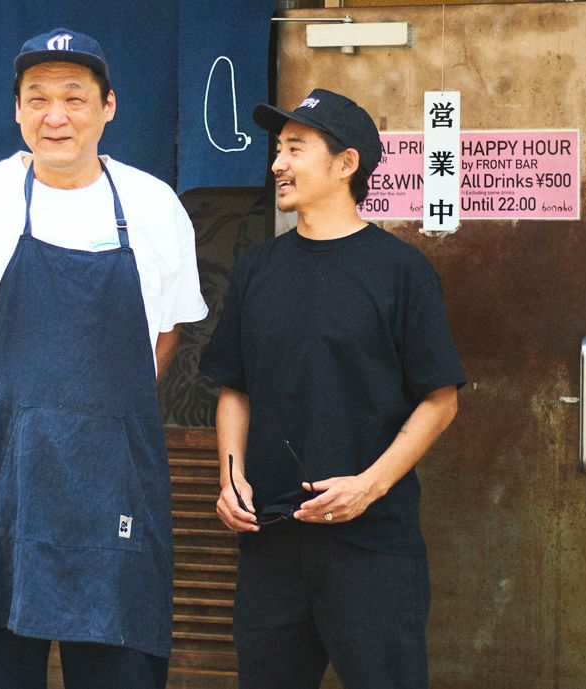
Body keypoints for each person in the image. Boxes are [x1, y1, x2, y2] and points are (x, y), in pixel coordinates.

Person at [0, 27, 208, 689]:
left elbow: (166, 335)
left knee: (118, 671)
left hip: (114, 485)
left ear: (109, 107)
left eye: (74, 97)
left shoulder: (155, 208)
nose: (55, 115)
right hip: (4, 482)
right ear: (16, 111)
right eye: (37, 98)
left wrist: (98, 417)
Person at [199, 89, 466, 689]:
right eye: (277, 149)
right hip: (271, 541)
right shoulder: (257, 269)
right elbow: (234, 388)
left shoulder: (401, 272)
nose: (277, 164)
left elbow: (440, 399)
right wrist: (230, 477)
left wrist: (369, 487)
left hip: (372, 546)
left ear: (347, 165)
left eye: (295, 148)